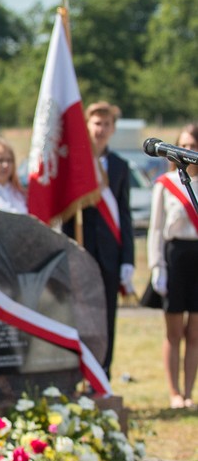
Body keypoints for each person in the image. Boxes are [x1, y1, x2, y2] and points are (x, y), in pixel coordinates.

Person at [62, 101, 134, 377]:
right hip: (80, 248)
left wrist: (128, 258)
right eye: (96, 124)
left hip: (109, 252)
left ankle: (103, 372)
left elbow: (124, 214)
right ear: (87, 126)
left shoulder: (120, 166)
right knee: (78, 312)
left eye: (106, 124)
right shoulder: (75, 162)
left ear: (113, 129)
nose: (101, 129)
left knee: (106, 315)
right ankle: (77, 371)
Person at [146, 123, 198, 409]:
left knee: (195, 333)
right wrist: (157, 266)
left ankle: (189, 392)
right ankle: (174, 392)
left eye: (193, 146)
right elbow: (155, 229)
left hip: (196, 254)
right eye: (184, 145)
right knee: (174, 331)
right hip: (175, 257)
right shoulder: (165, 184)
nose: (188, 151)